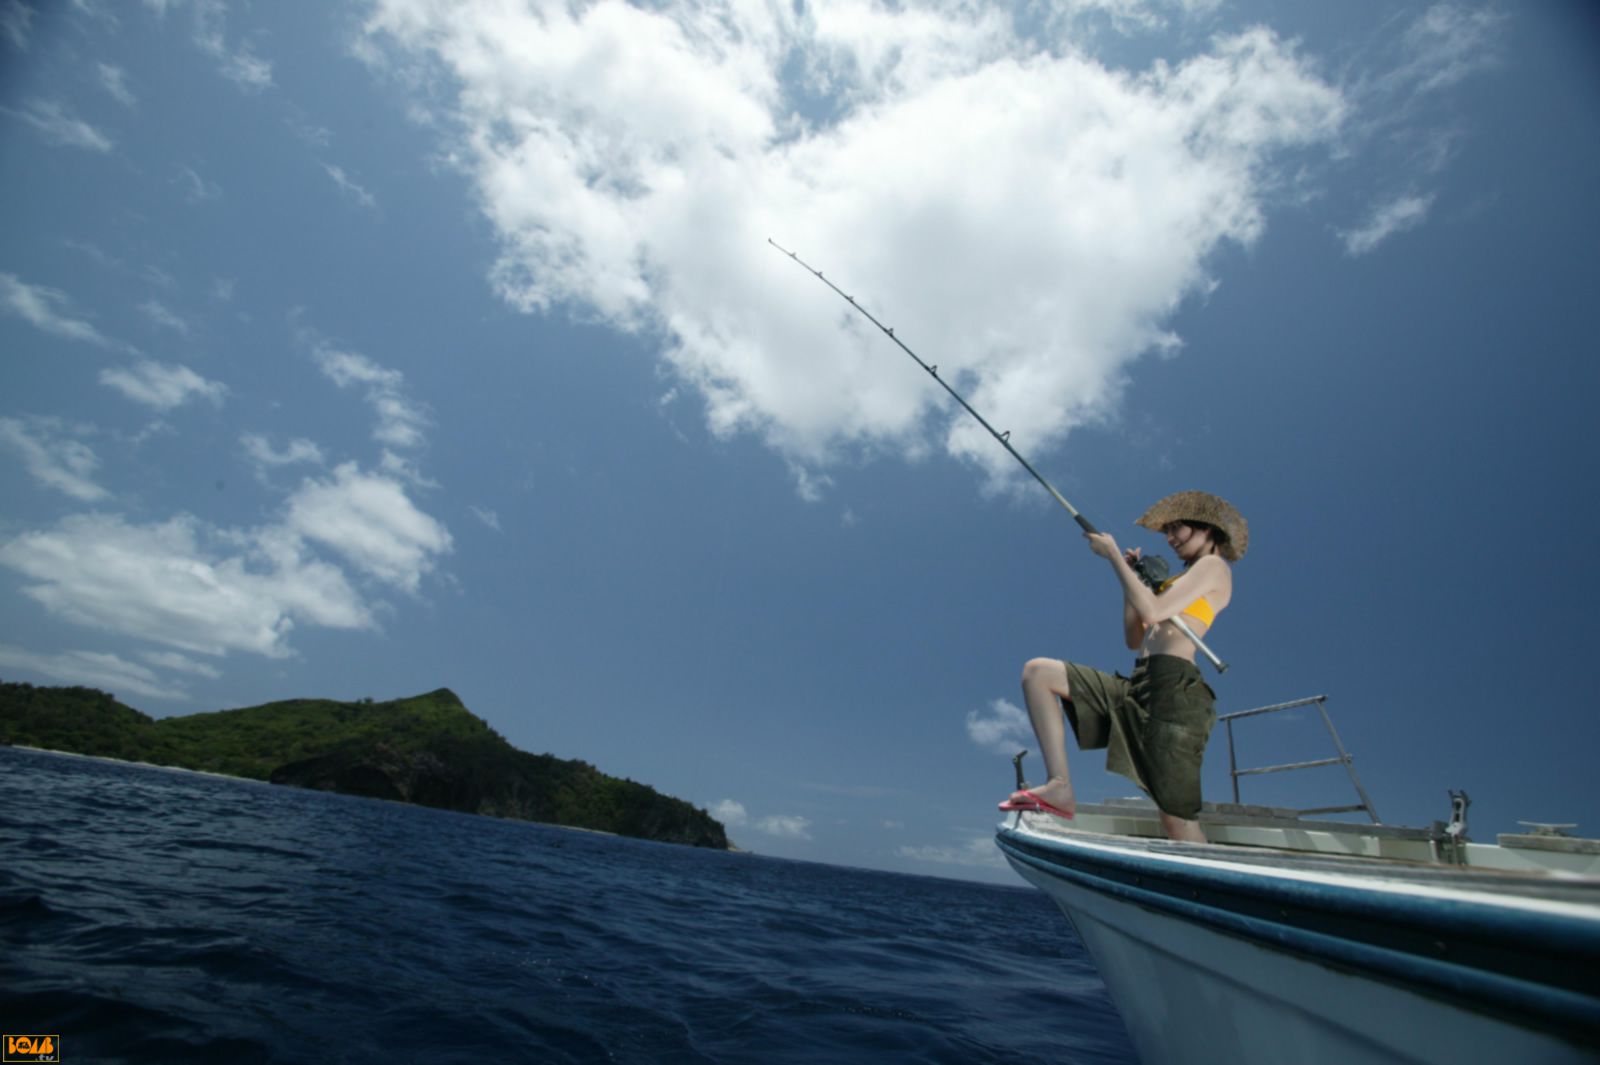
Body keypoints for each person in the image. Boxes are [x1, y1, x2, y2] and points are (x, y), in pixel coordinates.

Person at [1005, 491, 1248, 843]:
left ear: (1207, 529)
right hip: (1139, 684)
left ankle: (1212, 889)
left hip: (1175, 692)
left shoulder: (1213, 567)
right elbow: (1135, 637)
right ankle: (1060, 787)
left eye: (1177, 528)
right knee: (1038, 673)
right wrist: (1131, 578)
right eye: (1167, 531)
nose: (1170, 538)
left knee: (1176, 819)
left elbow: (1152, 612)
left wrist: (1114, 557)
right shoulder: (1176, 582)